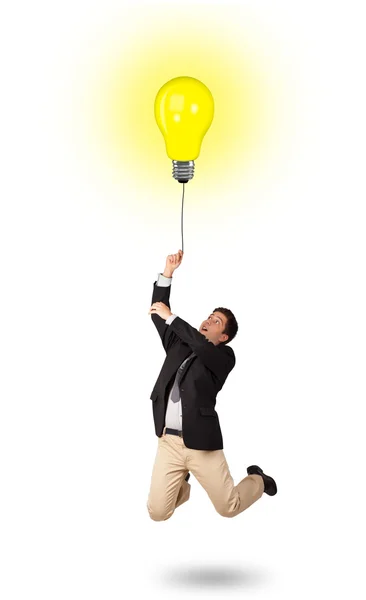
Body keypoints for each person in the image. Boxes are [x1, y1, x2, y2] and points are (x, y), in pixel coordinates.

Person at [147, 249, 277, 521]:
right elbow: (159, 314)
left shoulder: (223, 357)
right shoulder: (179, 344)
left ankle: (259, 480)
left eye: (216, 321)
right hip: (168, 441)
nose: (208, 320)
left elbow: (198, 344)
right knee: (158, 512)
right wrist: (168, 273)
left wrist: (174, 318)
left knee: (228, 508)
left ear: (225, 336)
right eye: (209, 316)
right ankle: (179, 483)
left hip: (201, 444)